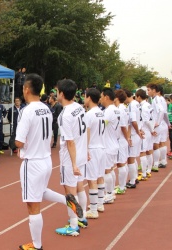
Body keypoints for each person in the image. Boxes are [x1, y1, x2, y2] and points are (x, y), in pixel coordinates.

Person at [15, 74, 82, 250]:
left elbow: (19, 141)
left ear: (27, 89)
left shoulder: (26, 110)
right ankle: (67, 200)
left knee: (32, 204)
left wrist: (17, 146)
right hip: (46, 160)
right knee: (41, 191)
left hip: (33, 162)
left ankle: (36, 245)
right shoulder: (46, 108)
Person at [54, 79, 89, 235]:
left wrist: (73, 164)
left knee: (69, 190)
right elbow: (85, 130)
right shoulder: (79, 108)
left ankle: (73, 225)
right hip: (81, 154)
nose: (55, 94)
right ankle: (82, 216)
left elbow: (70, 142)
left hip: (71, 158)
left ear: (61, 93)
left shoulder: (65, 115)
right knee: (79, 185)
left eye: (56, 91)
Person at [84, 88, 105, 219]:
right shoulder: (101, 113)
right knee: (100, 176)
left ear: (90, 98)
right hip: (102, 147)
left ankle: (93, 209)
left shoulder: (89, 114)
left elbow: (87, 133)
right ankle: (99, 203)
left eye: (85, 97)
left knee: (92, 179)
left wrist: (85, 149)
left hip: (92, 148)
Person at [100, 88, 121, 204]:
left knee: (106, 170)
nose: (100, 99)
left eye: (101, 96)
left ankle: (108, 194)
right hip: (113, 143)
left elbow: (102, 125)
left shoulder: (109, 111)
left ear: (106, 97)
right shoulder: (115, 109)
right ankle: (111, 191)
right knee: (110, 169)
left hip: (108, 144)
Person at [135, 89, 156, 181]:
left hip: (145, 130)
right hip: (149, 130)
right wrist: (152, 129)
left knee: (142, 152)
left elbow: (146, 120)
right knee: (149, 150)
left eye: (136, 97)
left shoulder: (142, 107)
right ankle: (148, 170)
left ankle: (144, 174)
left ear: (139, 97)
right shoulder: (148, 105)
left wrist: (151, 130)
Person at [125, 89, 143, 189]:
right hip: (137, 133)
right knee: (134, 157)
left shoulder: (132, 105)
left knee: (130, 158)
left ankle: (132, 181)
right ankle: (134, 177)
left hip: (133, 134)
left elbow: (133, 121)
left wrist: (137, 131)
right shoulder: (137, 103)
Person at [114, 90, 130, 194]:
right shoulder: (123, 108)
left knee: (121, 163)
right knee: (122, 162)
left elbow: (123, 126)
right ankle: (122, 185)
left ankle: (122, 186)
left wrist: (127, 138)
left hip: (121, 139)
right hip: (122, 139)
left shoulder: (120, 109)